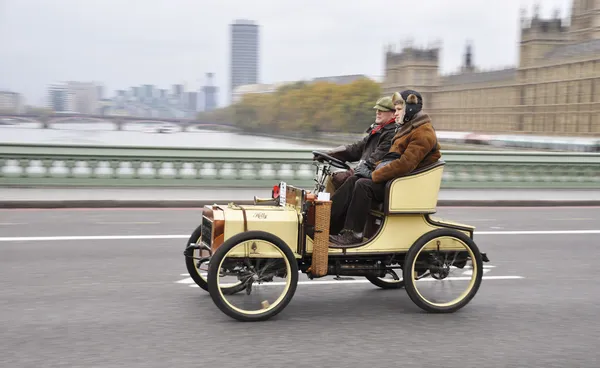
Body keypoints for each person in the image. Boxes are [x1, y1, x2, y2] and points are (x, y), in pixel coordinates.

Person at [329, 89, 442, 245]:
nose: (395, 113)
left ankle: (353, 235)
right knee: (356, 179)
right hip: (396, 180)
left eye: (398, 110)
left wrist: (374, 174)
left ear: (410, 108)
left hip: (405, 185)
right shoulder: (408, 128)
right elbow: (390, 158)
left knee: (363, 185)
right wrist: (371, 169)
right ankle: (328, 224)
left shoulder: (423, 133)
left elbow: (405, 164)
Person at [314, 96, 396, 191]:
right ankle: (327, 204)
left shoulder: (391, 133)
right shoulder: (378, 130)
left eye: (383, 110)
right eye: (377, 109)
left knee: (340, 178)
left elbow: (376, 159)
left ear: (394, 114)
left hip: (373, 176)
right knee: (335, 177)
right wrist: (331, 153)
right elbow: (356, 148)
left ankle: (330, 205)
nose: (378, 112)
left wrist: (355, 171)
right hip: (364, 172)